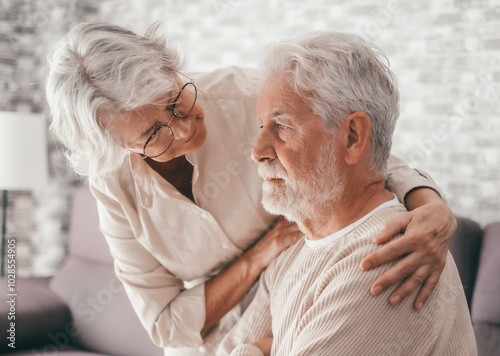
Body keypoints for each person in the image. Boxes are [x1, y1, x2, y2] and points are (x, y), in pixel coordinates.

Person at [45, 23, 457, 355]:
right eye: (154, 134)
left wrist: (432, 206)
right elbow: (166, 325)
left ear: (171, 67)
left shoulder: (248, 97)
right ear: (119, 146)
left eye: (175, 100)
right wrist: (263, 253)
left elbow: (356, 147)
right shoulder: (113, 185)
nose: (186, 128)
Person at [218, 31, 476, 356]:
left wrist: (255, 349)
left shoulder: (387, 260)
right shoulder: (290, 258)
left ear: (353, 137)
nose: (257, 151)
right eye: (261, 126)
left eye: (281, 126)